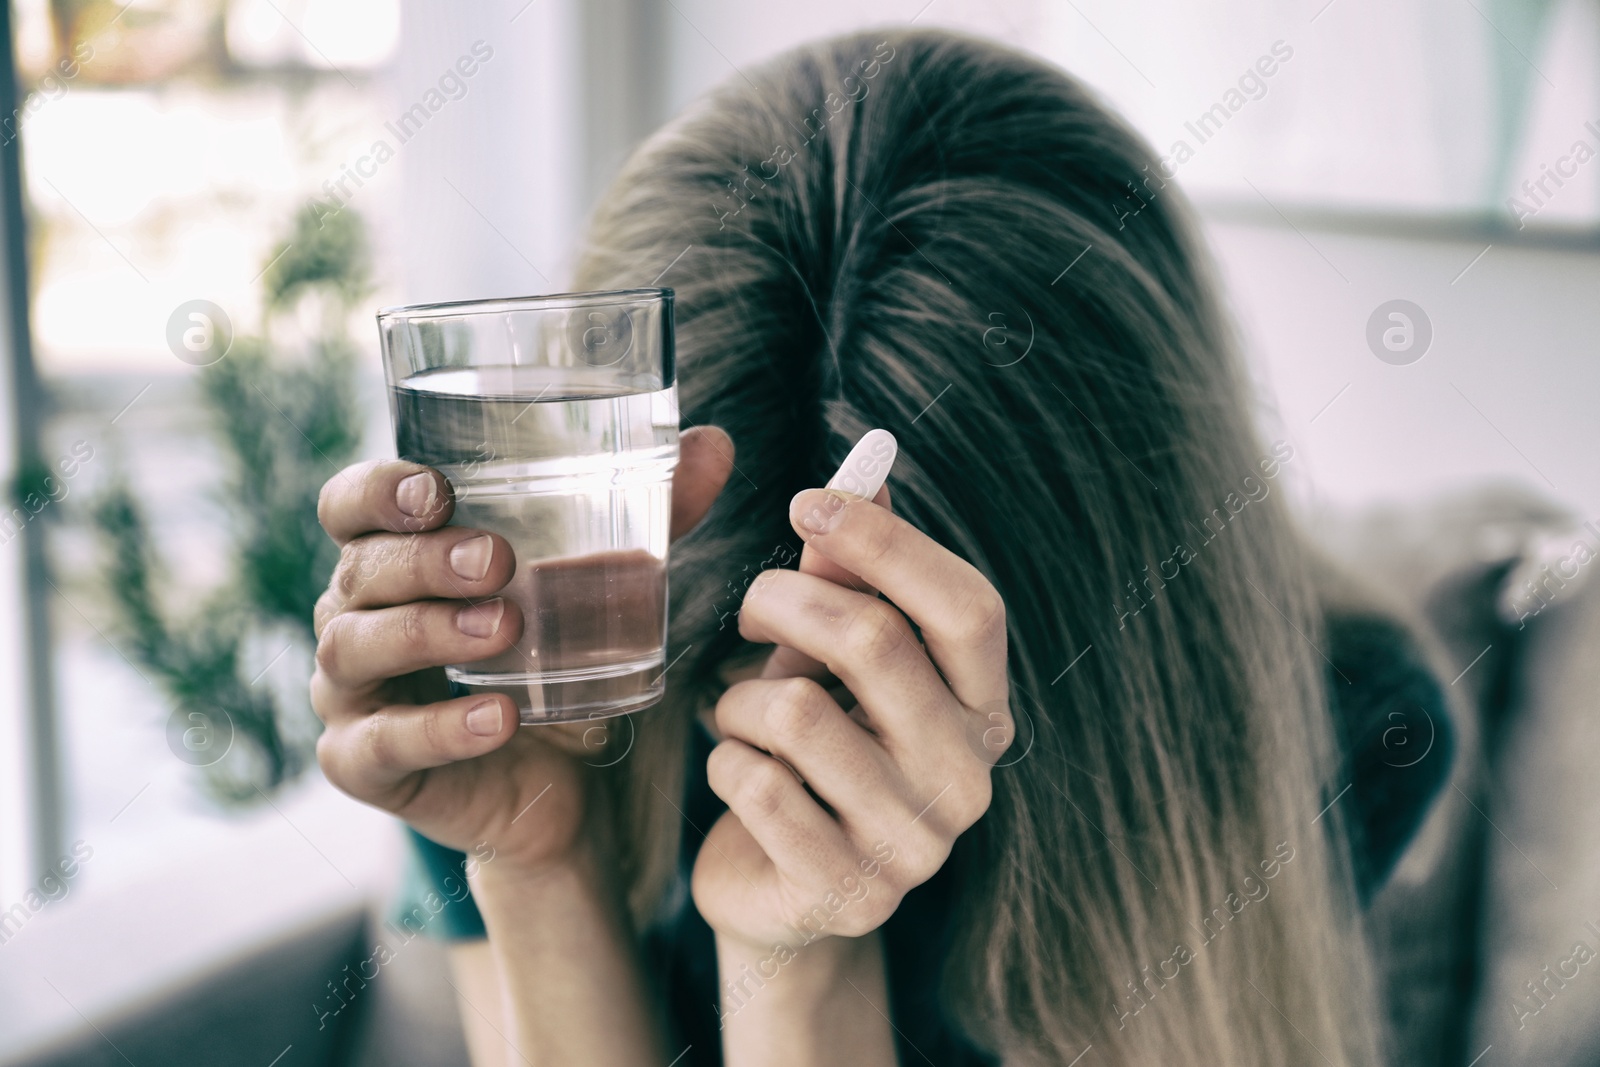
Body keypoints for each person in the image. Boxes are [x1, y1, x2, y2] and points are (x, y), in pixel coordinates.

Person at [310, 27, 1452, 1066]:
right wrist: (538, 862)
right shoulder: (538, 682)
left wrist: (799, 966)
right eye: (711, 673)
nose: (767, 720)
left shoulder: (1344, 724)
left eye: (846, 681)